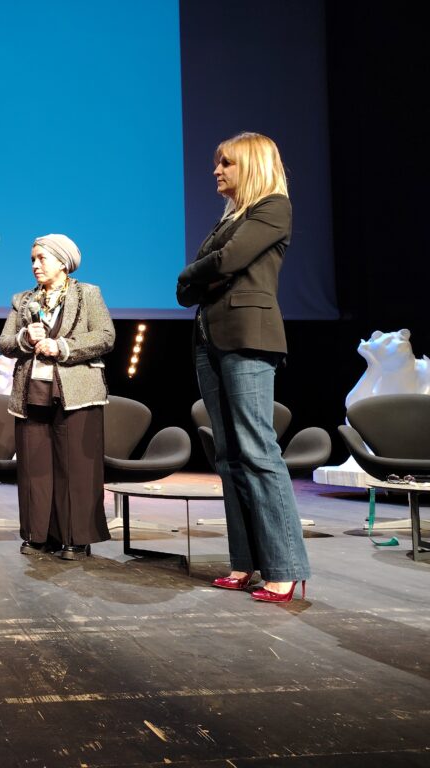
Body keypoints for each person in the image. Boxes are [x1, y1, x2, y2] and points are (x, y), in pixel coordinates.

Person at [176, 132, 311, 603]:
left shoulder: (273, 207)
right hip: (209, 338)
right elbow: (189, 285)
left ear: (250, 165)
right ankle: (246, 561)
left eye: (226, 163)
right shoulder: (228, 218)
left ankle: (286, 567)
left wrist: (199, 272)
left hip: (249, 338)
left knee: (257, 449)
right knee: (228, 455)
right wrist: (201, 273)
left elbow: (226, 261)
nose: (216, 171)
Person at [0, 234, 115, 559]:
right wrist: (25, 336)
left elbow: (106, 336)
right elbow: (5, 343)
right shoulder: (22, 300)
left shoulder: (88, 293)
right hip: (32, 391)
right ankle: (38, 535)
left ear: (62, 262)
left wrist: (63, 347)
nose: (35, 265)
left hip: (76, 391)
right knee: (35, 467)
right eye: (32, 259)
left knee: (76, 468)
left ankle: (76, 538)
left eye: (42, 259)